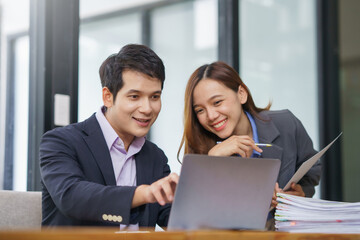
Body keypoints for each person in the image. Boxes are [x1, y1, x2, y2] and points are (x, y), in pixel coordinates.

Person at [40, 44, 179, 229]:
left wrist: (211, 161)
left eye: (154, 97)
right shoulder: (61, 142)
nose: (147, 109)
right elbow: (71, 196)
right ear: (108, 97)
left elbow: (175, 219)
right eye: (135, 96)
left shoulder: (155, 157)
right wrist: (144, 193)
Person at [178, 61, 321, 207]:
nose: (211, 115)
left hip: (283, 228)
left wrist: (302, 192)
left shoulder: (286, 123)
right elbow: (193, 210)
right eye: (200, 110)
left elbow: (313, 168)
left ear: (241, 94)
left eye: (217, 102)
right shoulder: (200, 149)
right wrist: (212, 161)